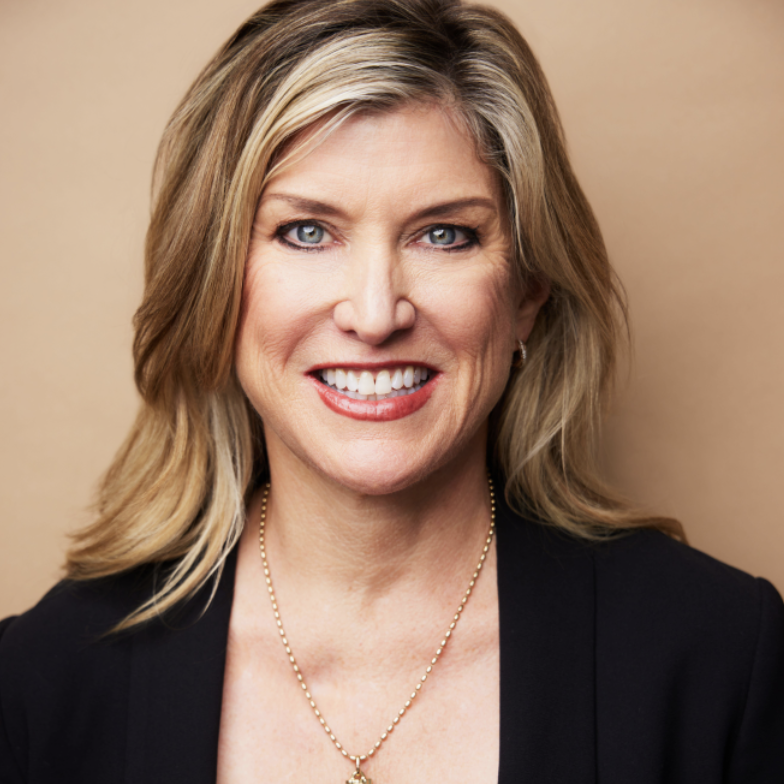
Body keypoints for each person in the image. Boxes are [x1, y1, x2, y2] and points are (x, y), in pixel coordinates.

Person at [1, 0, 782, 781]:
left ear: (527, 294)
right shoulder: (41, 683)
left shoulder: (721, 658)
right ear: (215, 284)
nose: (375, 316)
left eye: (444, 233)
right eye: (307, 231)